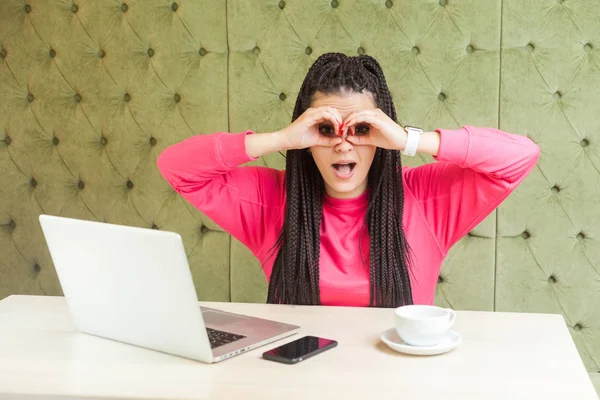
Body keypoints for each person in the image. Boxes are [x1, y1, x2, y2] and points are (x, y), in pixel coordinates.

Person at [157, 52, 540, 309]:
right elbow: (176, 168)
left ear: (381, 134)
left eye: (361, 128)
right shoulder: (272, 201)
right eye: (325, 128)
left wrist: (410, 139)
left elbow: (520, 157)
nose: (342, 143)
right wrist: (281, 139)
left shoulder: (424, 199)